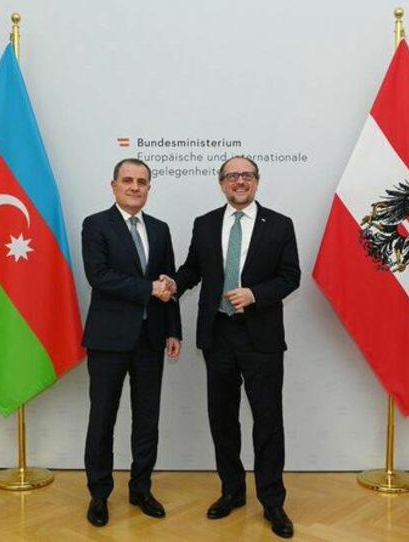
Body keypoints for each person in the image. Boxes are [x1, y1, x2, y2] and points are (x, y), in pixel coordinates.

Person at [165, 156, 300, 538]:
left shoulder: (280, 224)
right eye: (232, 176)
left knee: (267, 421)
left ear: (256, 181)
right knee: (222, 419)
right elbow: (193, 269)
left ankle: (272, 502)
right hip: (218, 335)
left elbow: (290, 276)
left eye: (246, 175)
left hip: (262, 339)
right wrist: (174, 284)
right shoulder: (205, 223)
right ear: (222, 183)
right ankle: (232, 491)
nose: (239, 181)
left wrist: (256, 294)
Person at [81, 158, 181, 527]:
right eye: (128, 180)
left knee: (147, 419)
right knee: (102, 419)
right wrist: (148, 288)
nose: (135, 187)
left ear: (149, 188)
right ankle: (99, 494)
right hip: (108, 340)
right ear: (114, 186)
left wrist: (173, 330)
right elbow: (99, 276)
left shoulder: (160, 228)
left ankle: (141, 488)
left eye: (141, 181)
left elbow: (168, 283)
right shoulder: (96, 224)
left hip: (151, 340)